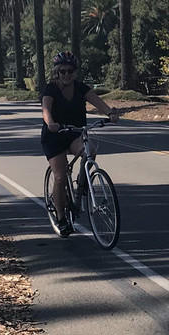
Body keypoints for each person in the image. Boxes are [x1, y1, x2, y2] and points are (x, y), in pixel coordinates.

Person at [41, 51, 119, 237]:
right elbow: (46, 109)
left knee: (90, 151)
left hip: (75, 133)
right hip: (55, 136)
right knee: (60, 176)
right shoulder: (51, 89)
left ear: (75, 72)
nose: (66, 75)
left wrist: (110, 114)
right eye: (63, 71)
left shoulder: (81, 88)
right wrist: (50, 122)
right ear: (57, 72)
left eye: (70, 71)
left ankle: (82, 187)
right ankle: (61, 218)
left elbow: (99, 102)